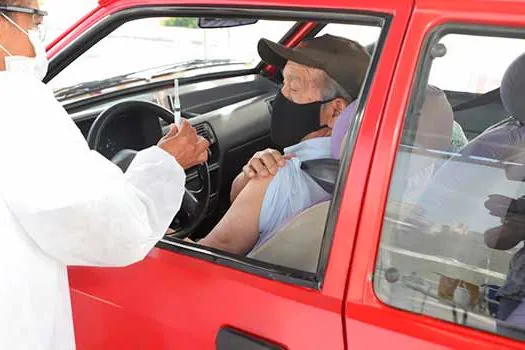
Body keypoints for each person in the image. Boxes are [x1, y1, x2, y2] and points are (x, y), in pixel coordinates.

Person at [0, 1, 209, 348]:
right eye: (33, 18)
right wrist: (166, 162)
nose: (38, 33)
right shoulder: (16, 101)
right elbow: (112, 227)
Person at [197, 34, 370, 255]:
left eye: (294, 88)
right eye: (283, 82)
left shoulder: (281, 177)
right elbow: (238, 198)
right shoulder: (361, 172)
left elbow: (210, 253)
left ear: (335, 110)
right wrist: (249, 176)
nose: (281, 95)